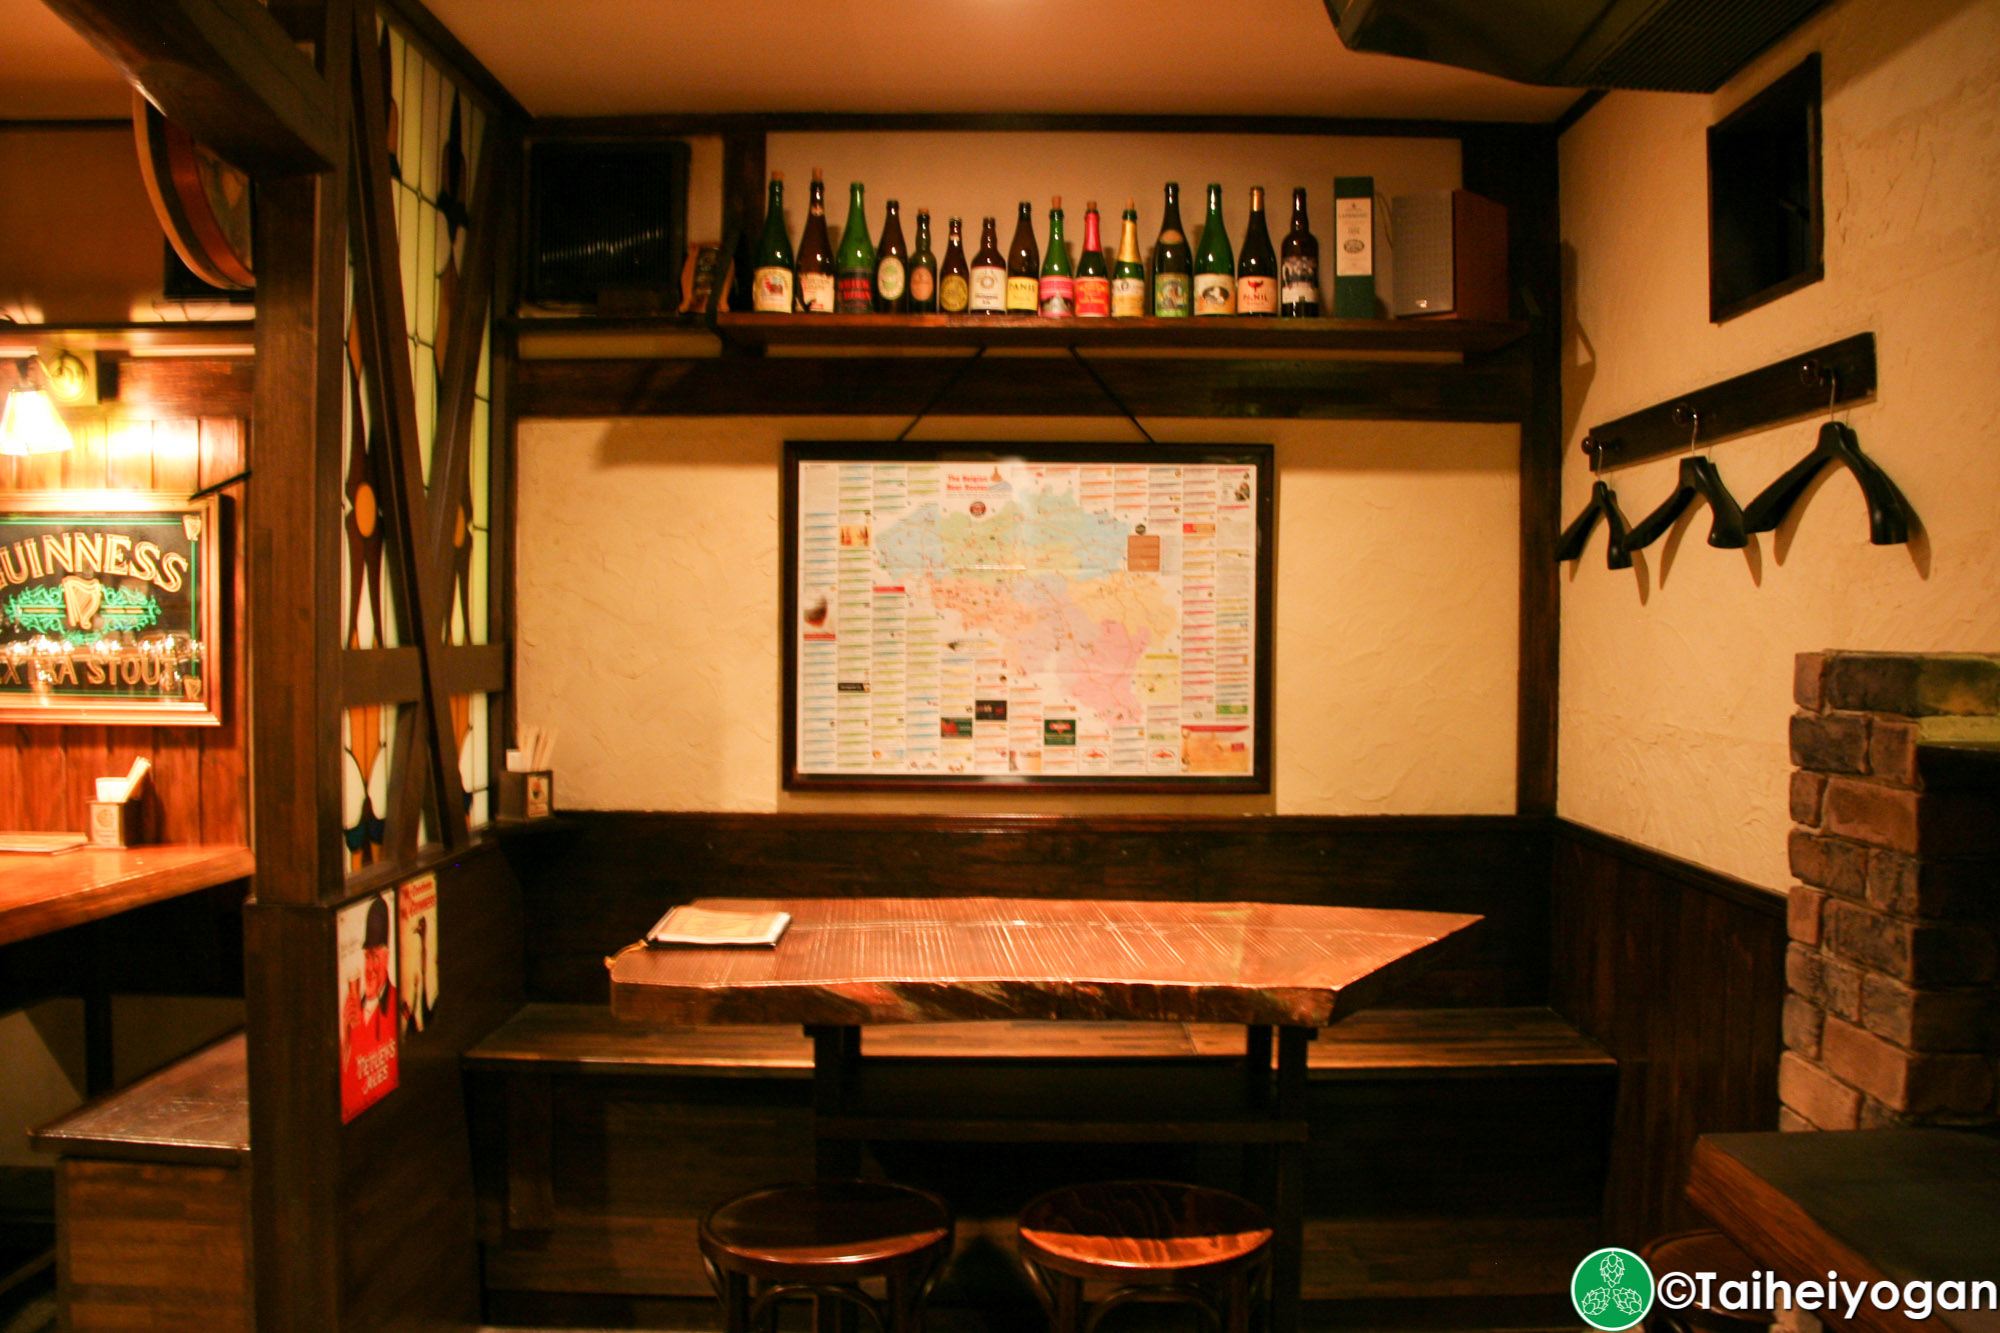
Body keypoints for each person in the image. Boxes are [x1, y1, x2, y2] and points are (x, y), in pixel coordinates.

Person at [341, 895, 399, 1116]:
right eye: (367, 956)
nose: (371, 968)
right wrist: (347, 1031)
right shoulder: (356, 1004)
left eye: (377, 957)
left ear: (387, 957)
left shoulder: (395, 1002)